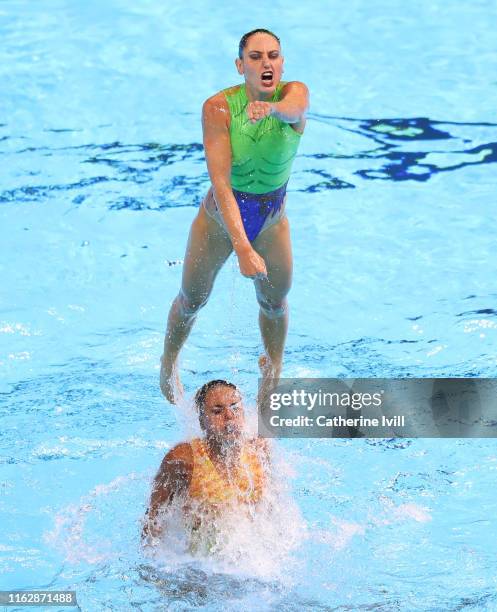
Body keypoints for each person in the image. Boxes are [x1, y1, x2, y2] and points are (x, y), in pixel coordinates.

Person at [160, 28, 309, 403]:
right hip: (219, 218)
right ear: (240, 65)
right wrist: (241, 246)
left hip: (271, 220)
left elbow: (295, 108)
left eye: (273, 55)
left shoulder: (294, 95)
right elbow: (221, 182)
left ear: (282, 62)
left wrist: (271, 108)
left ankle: (272, 374)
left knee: (275, 304)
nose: (266, 63)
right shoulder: (218, 107)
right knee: (191, 299)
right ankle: (168, 364)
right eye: (256, 57)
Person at [142, 380, 270, 553]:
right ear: (202, 421)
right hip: (199, 565)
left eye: (235, 407)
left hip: (251, 558)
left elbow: (271, 509)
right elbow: (153, 520)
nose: (229, 416)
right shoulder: (183, 458)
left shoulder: (258, 450)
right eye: (217, 411)